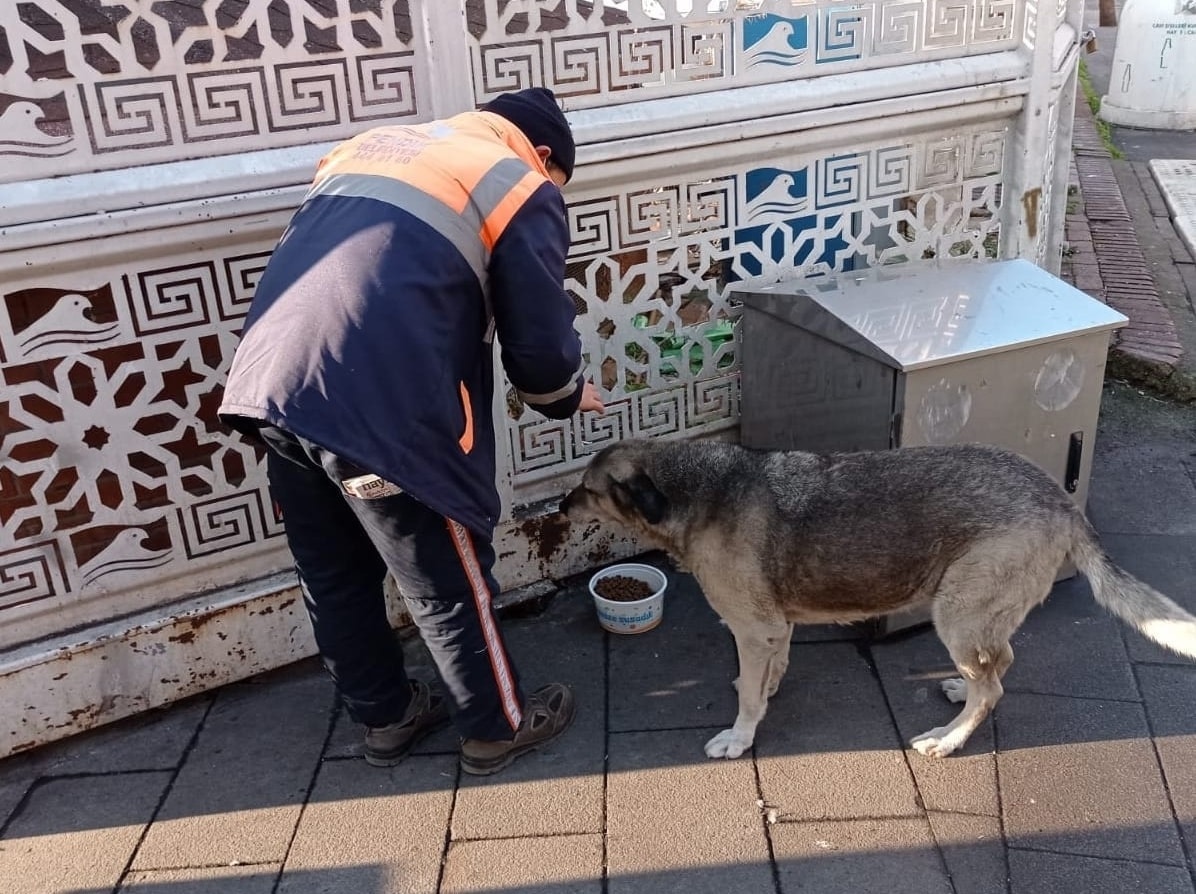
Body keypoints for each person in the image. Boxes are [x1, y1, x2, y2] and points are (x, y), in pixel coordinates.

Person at [218, 87, 604, 775]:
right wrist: (570, 395)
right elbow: (541, 355)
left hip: (271, 390)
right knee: (446, 580)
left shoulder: (370, 148)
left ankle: (387, 718)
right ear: (543, 154)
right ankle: (497, 726)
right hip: (381, 412)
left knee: (333, 573)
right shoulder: (516, 182)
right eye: (559, 180)